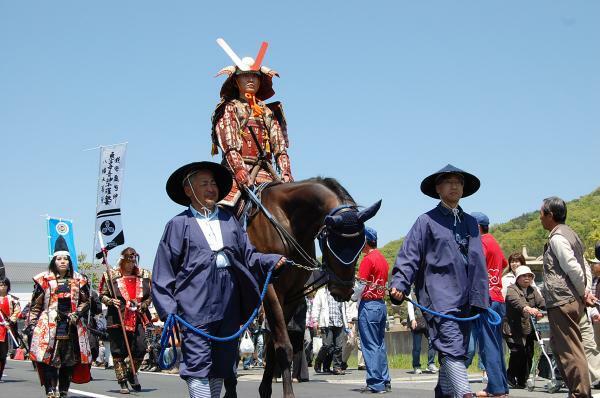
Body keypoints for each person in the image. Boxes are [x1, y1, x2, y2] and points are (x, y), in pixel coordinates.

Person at [152, 161, 287, 398]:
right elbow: (163, 272)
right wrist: (169, 311)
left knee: (222, 365)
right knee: (198, 365)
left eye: (213, 183)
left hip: (228, 306)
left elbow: (249, 256)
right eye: (204, 183)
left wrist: (270, 260)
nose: (211, 188)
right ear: (188, 190)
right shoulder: (178, 224)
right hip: (194, 307)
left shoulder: (229, 220)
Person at [389, 164, 489, 398]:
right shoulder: (426, 221)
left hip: (467, 299)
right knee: (453, 347)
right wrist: (400, 283)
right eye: (449, 181)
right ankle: (466, 394)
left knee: (461, 351)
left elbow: (478, 264)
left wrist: (481, 299)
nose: (455, 186)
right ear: (438, 188)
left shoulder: (471, 223)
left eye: (459, 182)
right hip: (439, 297)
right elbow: (409, 255)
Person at [211, 40, 293, 214]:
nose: (250, 79)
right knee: (223, 211)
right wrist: (239, 169)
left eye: (255, 76)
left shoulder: (268, 112)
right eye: (245, 75)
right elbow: (229, 144)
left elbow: (279, 146)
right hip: (235, 173)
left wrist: (285, 171)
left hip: (267, 173)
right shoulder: (229, 108)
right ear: (236, 81)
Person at [539, 196, 595, 398]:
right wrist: (585, 292)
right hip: (571, 299)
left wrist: (582, 292)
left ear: (550, 215)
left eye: (541, 214)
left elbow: (574, 268)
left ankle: (580, 393)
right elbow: (584, 266)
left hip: (563, 300)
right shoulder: (572, 234)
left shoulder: (557, 238)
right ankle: (578, 391)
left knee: (569, 349)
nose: (540, 218)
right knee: (562, 346)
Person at [26, 236, 92, 398]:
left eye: (65, 259)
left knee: (68, 361)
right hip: (48, 326)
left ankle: (63, 391)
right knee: (48, 359)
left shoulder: (79, 280)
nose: (63, 262)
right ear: (54, 261)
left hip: (72, 325)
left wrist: (77, 313)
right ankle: (49, 389)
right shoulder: (44, 280)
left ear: (69, 261)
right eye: (59, 259)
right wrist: (32, 325)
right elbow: (36, 305)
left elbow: (86, 302)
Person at [99, 246, 153, 394]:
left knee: (141, 347)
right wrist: (110, 301)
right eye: (128, 260)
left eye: (133, 260)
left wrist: (144, 304)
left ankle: (131, 373)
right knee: (118, 351)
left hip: (139, 317)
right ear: (122, 260)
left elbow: (151, 295)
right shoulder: (110, 275)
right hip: (118, 317)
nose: (131, 263)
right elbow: (101, 295)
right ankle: (122, 381)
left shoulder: (145, 274)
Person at [468, 212, 509, 397]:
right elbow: (504, 263)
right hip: (498, 298)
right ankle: (501, 386)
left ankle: (496, 388)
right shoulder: (493, 241)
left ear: (476, 227)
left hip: (486, 300)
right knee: (497, 345)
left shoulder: (481, 242)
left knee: (487, 346)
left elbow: (473, 265)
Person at [353, 226, 391, 393]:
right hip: (381, 304)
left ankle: (375, 383)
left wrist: (352, 296)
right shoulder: (382, 258)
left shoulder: (367, 260)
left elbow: (361, 285)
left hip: (368, 305)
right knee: (379, 344)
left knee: (369, 345)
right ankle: (385, 380)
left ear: (365, 241)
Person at [502, 265, 545, 388]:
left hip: (528, 327)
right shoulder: (511, 289)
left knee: (528, 353)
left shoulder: (533, 290)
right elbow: (517, 302)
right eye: (524, 276)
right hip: (512, 327)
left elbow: (541, 302)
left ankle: (523, 379)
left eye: (529, 276)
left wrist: (550, 308)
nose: (527, 278)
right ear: (518, 278)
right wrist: (527, 308)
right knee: (517, 352)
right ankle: (510, 375)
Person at [311, 285, 348, 375]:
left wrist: (347, 322)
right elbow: (316, 306)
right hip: (326, 323)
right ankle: (318, 362)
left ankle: (337, 368)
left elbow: (344, 308)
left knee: (338, 347)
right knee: (327, 345)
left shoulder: (340, 291)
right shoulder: (321, 292)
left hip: (338, 322)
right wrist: (315, 320)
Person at [407, 289, 437, 375]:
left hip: (428, 320)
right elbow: (410, 306)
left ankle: (431, 363)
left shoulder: (427, 289)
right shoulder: (411, 292)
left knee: (433, 341)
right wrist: (412, 319)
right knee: (417, 346)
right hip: (416, 321)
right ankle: (416, 366)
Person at [0, 277, 21, 382]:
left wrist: (10, 321)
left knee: (3, 354)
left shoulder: (13, 299)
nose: (2, 287)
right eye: (0, 285)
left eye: (4, 285)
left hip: (6, 328)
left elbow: (17, 311)